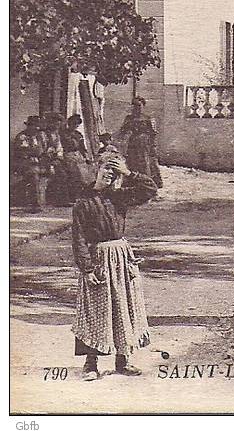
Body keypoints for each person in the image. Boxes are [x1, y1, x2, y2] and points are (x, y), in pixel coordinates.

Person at [71, 152, 158, 381]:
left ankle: (123, 359)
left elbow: (150, 189)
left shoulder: (119, 197)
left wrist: (129, 173)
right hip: (98, 258)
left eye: (115, 170)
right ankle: (91, 363)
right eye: (107, 168)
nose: (111, 174)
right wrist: (87, 269)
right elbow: (79, 238)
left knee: (123, 306)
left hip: (120, 257)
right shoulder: (84, 201)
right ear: (97, 169)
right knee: (95, 310)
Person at [118, 97, 163, 188]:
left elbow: (153, 134)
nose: (136, 108)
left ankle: (147, 184)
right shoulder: (129, 118)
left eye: (139, 106)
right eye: (134, 105)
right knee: (132, 162)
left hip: (145, 144)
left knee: (145, 163)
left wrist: (153, 147)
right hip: (133, 143)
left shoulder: (148, 118)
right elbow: (123, 131)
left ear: (143, 106)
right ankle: (133, 182)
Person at [52, 115, 91, 206]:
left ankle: (78, 197)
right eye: (73, 124)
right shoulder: (63, 133)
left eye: (77, 125)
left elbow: (82, 147)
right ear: (69, 124)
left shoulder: (78, 134)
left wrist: (86, 157)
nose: (75, 126)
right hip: (67, 155)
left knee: (82, 176)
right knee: (72, 175)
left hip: (77, 155)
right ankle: (70, 198)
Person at [12, 116, 48, 209]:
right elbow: (23, 152)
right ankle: (35, 204)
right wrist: (36, 153)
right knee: (33, 174)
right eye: (34, 126)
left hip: (37, 162)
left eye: (38, 126)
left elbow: (43, 151)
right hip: (23, 163)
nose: (36, 128)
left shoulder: (39, 136)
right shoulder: (22, 137)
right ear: (29, 126)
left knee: (53, 170)